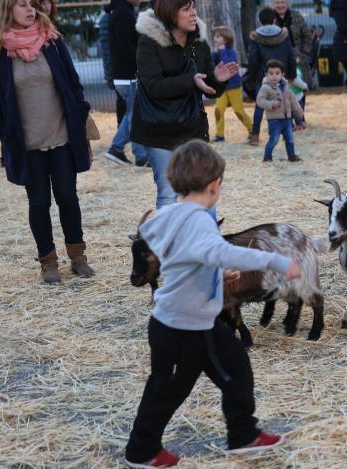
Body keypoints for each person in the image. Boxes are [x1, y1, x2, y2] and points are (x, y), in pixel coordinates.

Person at [124, 140, 301, 468]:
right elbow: (222, 251)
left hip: (193, 322)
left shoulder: (171, 215)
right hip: (180, 329)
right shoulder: (199, 219)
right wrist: (277, 261)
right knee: (168, 390)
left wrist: (217, 279)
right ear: (214, 185)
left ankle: (243, 435)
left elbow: (184, 260)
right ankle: (141, 451)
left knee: (236, 367)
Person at [0, 0, 95, 284]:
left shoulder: (52, 42)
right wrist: (3, 131)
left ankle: (78, 256)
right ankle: (48, 262)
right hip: (27, 144)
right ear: (8, 9)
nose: (31, 9)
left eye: (32, 4)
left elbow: (72, 82)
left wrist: (79, 111)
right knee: (39, 203)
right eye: (22, 4)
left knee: (68, 199)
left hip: (61, 138)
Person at [131, 0, 238, 209]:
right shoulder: (149, 43)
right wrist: (190, 81)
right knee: (168, 194)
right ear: (171, 13)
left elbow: (207, 85)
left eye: (193, 7)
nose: (193, 14)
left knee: (205, 192)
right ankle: (169, 244)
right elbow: (154, 87)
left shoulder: (199, 43)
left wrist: (218, 80)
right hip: (158, 130)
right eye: (186, 9)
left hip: (192, 128)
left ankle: (205, 242)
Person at [105, 0, 149, 167]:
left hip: (123, 75)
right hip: (128, 74)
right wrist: (141, 62)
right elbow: (125, 48)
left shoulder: (120, 12)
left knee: (132, 113)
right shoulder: (124, 14)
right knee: (135, 114)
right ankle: (132, 153)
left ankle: (127, 150)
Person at [246, 7, 296, 146]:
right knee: (286, 102)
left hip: (263, 76)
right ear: (274, 19)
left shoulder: (255, 37)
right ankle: (287, 134)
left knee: (259, 105)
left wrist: (251, 76)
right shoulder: (284, 34)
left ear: (260, 21)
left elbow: (253, 59)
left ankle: (255, 136)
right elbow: (290, 55)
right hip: (281, 74)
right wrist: (292, 74)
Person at [257, 59, 304, 163]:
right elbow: (259, 100)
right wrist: (271, 104)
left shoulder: (286, 86)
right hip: (274, 120)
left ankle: (291, 157)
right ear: (266, 74)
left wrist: (299, 113)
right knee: (274, 140)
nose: (274, 76)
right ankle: (267, 158)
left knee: (290, 139)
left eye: (277, 73)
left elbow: (293, 100)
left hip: (287, 119)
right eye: (271, 73)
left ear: (282, 74)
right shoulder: (265, 87)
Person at [271, 0, 315, 93]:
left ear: (287, 3)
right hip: (278, 62)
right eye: (277, 3)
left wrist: (303, 54)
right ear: (273, 4)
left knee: (300, 92)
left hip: (299, 58)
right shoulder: (271, 18)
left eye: (283, 2)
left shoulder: (296, 16)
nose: (280, 5)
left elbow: (307, 35)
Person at [212, 26, 252, 142]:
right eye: (215, 36)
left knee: (238, 110)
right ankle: (220, 135)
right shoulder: (217, 51)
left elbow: (227, 65)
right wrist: (214, 54)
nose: (215, 38)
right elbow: (211, 65)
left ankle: (252, 130)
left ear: (225, 40)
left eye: (218, 37)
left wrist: (222, 51)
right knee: (218, 110)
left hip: (234, 87)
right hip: (221, 87)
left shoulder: (231, 52)